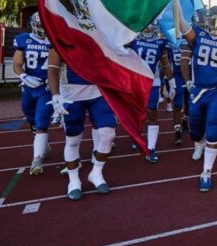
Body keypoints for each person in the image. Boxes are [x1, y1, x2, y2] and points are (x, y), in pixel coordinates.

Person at [178, 6, 217, 191]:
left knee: (212, 128)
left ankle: (206, 173)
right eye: (213, 20)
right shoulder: (199, 35)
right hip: (198, 89)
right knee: (195, 130)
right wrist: (176, 2)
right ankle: (198, 143)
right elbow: (182, 25)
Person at [48, 47, 117, 201]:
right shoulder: (60, 39)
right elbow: (52, 70)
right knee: (73, 140)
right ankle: (74, 181)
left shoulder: (97, 36)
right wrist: (55, 96)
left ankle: (96, 173)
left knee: (108, 134)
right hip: (71, 95)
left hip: (98, 91)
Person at [12, 13, 54, 175]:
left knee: (41, 120)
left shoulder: (54, 40)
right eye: (39, 24)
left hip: (46, 88)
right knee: (30, 118)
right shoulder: (23, 39)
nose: (42, 28)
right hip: (29, 88)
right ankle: (42, 144)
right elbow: (17, 64)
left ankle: (36, 159)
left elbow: (61, 65)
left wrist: (57, 85)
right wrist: (23, 76)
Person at [128, 22, 175, 163]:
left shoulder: (161, 42)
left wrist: (172, 82)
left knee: (152, 113)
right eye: (146, 25)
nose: (148, 27)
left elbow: (165, 64)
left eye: (151, 25)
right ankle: (137, 138)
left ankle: (151, 149)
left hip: (152, 82)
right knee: (136, 113)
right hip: (135, 82)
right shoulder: (132, 40)